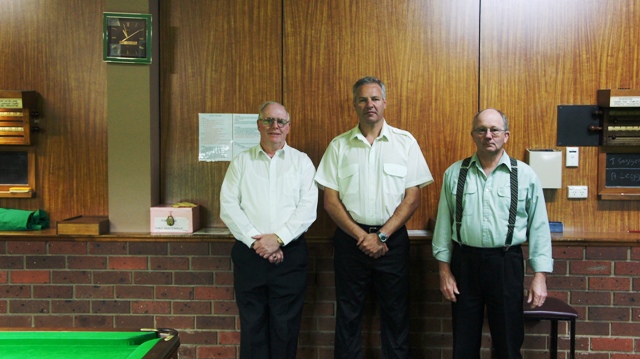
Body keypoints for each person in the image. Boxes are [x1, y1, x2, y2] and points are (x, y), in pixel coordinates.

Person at [315, 76, 433, 358]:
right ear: (354, 104)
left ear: (385, 102)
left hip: (391, 242)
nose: (370, 104)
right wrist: (362, 237)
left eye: (375, 98)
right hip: (350, 243)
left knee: (396, 314)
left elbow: (412, 198)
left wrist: (380, 236)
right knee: (348, 314)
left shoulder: (405, 143)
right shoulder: (339, 146)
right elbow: (330, 202)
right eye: (363, 99)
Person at [432, 108, 554, 359]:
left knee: (508, 343)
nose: (488, 135)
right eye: (482, 130)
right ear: (473, 135)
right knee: (464, 344)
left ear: (506, 135)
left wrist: (539, 276)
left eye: (494, 129)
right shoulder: (455, 173)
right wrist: (444, 271)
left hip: (506, 263)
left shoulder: (526, 176)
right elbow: (443, 227)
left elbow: (539, 229)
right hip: (465, 264)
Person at [220, 101, 318, 359]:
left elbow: (308, 208)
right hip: (250, 256)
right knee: (253, 328)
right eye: (268, 120)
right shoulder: (241, 162)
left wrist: (279, 239)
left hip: (290, 257)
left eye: (280, 121)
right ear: (258, 125)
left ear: (288, 126)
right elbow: (228, 206)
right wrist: (258, 243)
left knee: (285, 329)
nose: (275, 126)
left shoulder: (302, 162)